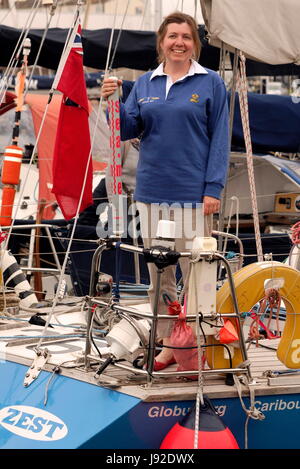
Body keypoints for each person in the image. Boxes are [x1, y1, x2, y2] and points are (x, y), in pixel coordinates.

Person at [101, 11, 230, 370]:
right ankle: (170, 344)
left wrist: (213, 188)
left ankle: (196, 344)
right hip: (151, 194)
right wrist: (114, 99)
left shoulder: (210, 83)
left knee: (197, 276)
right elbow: (127, 129)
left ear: (195, 44)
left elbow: (220, 139)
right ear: (161, 42)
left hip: (194, 196)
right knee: (160, 278)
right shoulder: (145, 84)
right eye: (172, 36)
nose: (179, 42)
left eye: (186, 37)